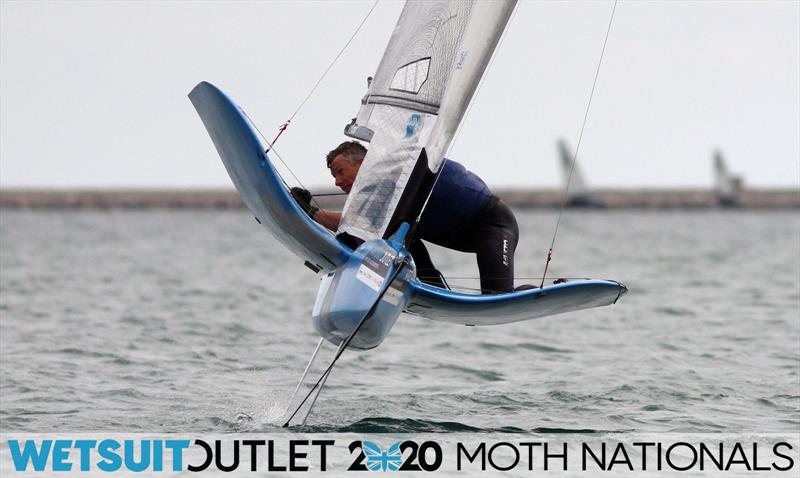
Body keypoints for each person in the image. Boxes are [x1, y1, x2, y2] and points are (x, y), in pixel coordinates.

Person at [292, 141, 524, 294]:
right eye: (334, 177)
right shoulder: (380, 199)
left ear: (363, 162)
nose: (337, 182)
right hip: (461, 235)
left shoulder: (401, 165)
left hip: (493, 225)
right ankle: (431, 286)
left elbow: (421, 141)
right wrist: (310, 211)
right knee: (393, 231)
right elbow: (353, 224)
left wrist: (313, 213)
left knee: (497, 296)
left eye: (340, 172)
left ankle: (549, 292)